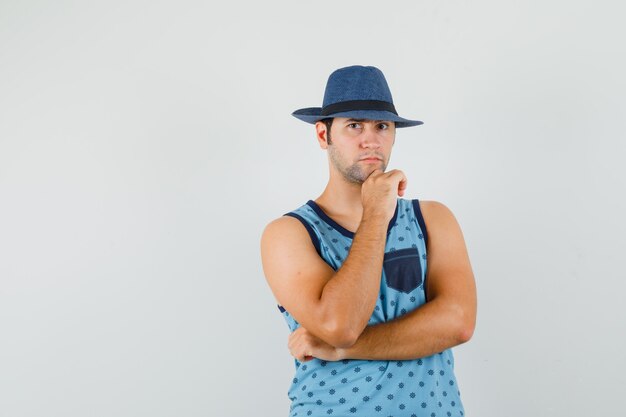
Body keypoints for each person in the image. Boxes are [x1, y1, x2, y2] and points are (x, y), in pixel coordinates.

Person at [260, 65, 477, 417]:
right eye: (354, 126)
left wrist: (344, 350)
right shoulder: (288, 234)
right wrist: (376, 214)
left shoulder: (433, 219)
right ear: (322, 135)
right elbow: (339, 325)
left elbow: (458, 322)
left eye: (382, 126)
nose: (371, 140)